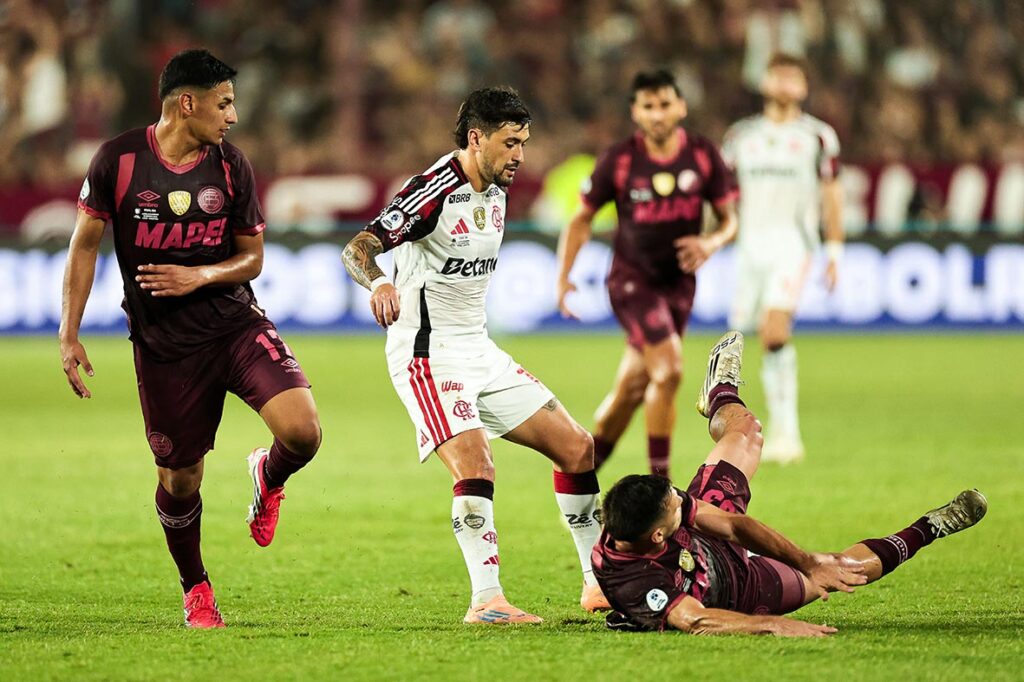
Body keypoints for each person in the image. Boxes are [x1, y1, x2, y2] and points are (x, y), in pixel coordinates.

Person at [59, 49, 322, 628]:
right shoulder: (118, 161)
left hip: (234, 324)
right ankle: (195, 586)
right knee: (181, 479)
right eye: (224, 103)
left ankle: (267, 476)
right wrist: (69, 331)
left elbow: (252, 258)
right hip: (165, 347)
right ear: (188, 102)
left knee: (304, 433)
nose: (232, 116)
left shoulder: (231, 166)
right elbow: (84, 244)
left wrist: (197, 275)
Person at [342, 86, 609, 623]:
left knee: (579, 450)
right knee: (476, 462)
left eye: (524, 143)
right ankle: (487, 600)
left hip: (479, 350)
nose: (521, 156)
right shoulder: (434, 190)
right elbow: (359, 247)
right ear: (476, 138)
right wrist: (377, 285)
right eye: (510, 143)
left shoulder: (497, 189)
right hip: (427, 355)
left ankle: (597, 584)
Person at [592, 331, 988, 636]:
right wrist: (772, 623)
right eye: (676, 506)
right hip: (741, 593)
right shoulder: (635, 580)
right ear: (659, 537)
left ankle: (719, 392)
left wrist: (805, 561)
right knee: (845, 570)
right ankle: (933, 526)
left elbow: (732, 525)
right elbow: (696, 620)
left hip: (708, 543)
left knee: (747, 431)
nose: (680, 499)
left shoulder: (653, 508)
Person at [556, 68, 738, 480]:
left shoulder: (704, 155)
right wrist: (563, 278)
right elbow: (580, 219)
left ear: (681, 107)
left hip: (679, 284)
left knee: (632, 389)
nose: (657, 114)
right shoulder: (619, 160)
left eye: (665, 104)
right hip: (631, 282)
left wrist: (709, 243)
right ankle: (661, 484)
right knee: (670, 369)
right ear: (635, 112)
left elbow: (730, 220)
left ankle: (580, 476)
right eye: (648, 106)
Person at [722, 53, 845, 463]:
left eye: (794, 76)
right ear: (765, 82)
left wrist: (835, 248)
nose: (785, 83)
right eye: (778, 75)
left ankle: (787, 432)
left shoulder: (818, 136)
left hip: (792, 244)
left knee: (774, 332)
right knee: (739, 335)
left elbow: (831, 193)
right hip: (748, 248)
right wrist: (711, 236)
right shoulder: (741, 136)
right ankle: (745, 430)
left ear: (804, 86)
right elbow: (723, 195)